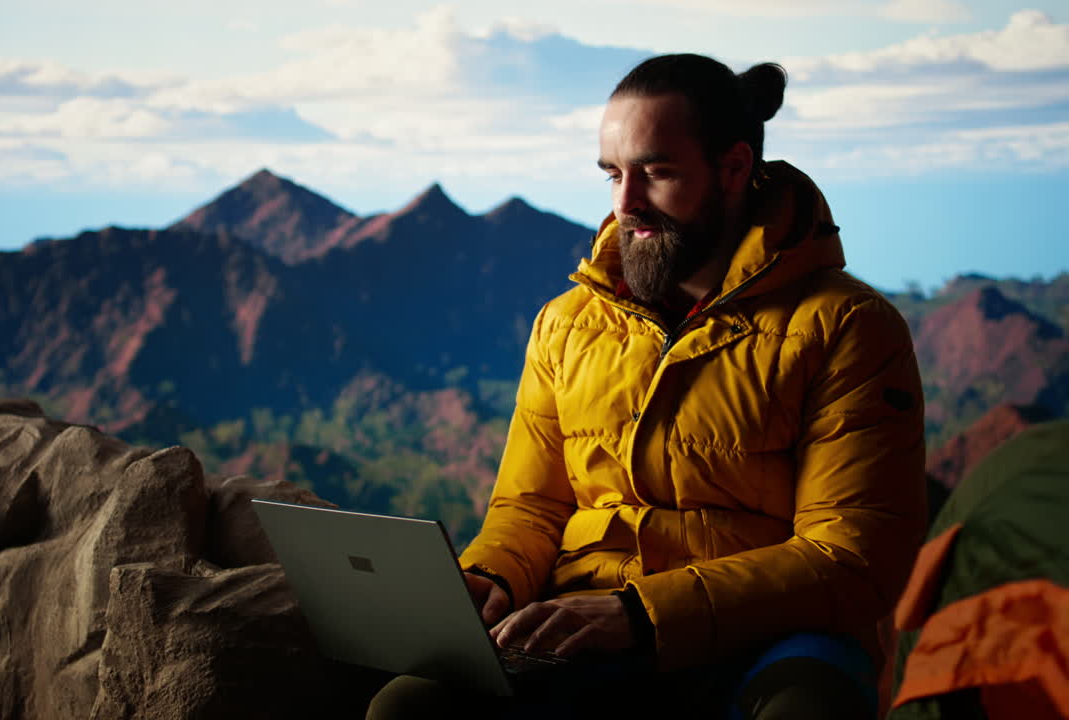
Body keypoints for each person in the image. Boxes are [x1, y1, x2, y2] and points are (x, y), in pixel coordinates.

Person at [368, 53, 927, 719]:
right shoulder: (567, 325)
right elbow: (531, 507)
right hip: (587, 614)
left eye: (656, 173)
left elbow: (849, 557)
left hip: (773, 636)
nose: (626, 202)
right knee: (410, 706)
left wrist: (641, 615)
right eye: (613, 175)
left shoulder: (847, 327)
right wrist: (489, 578)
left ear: (733, 170)